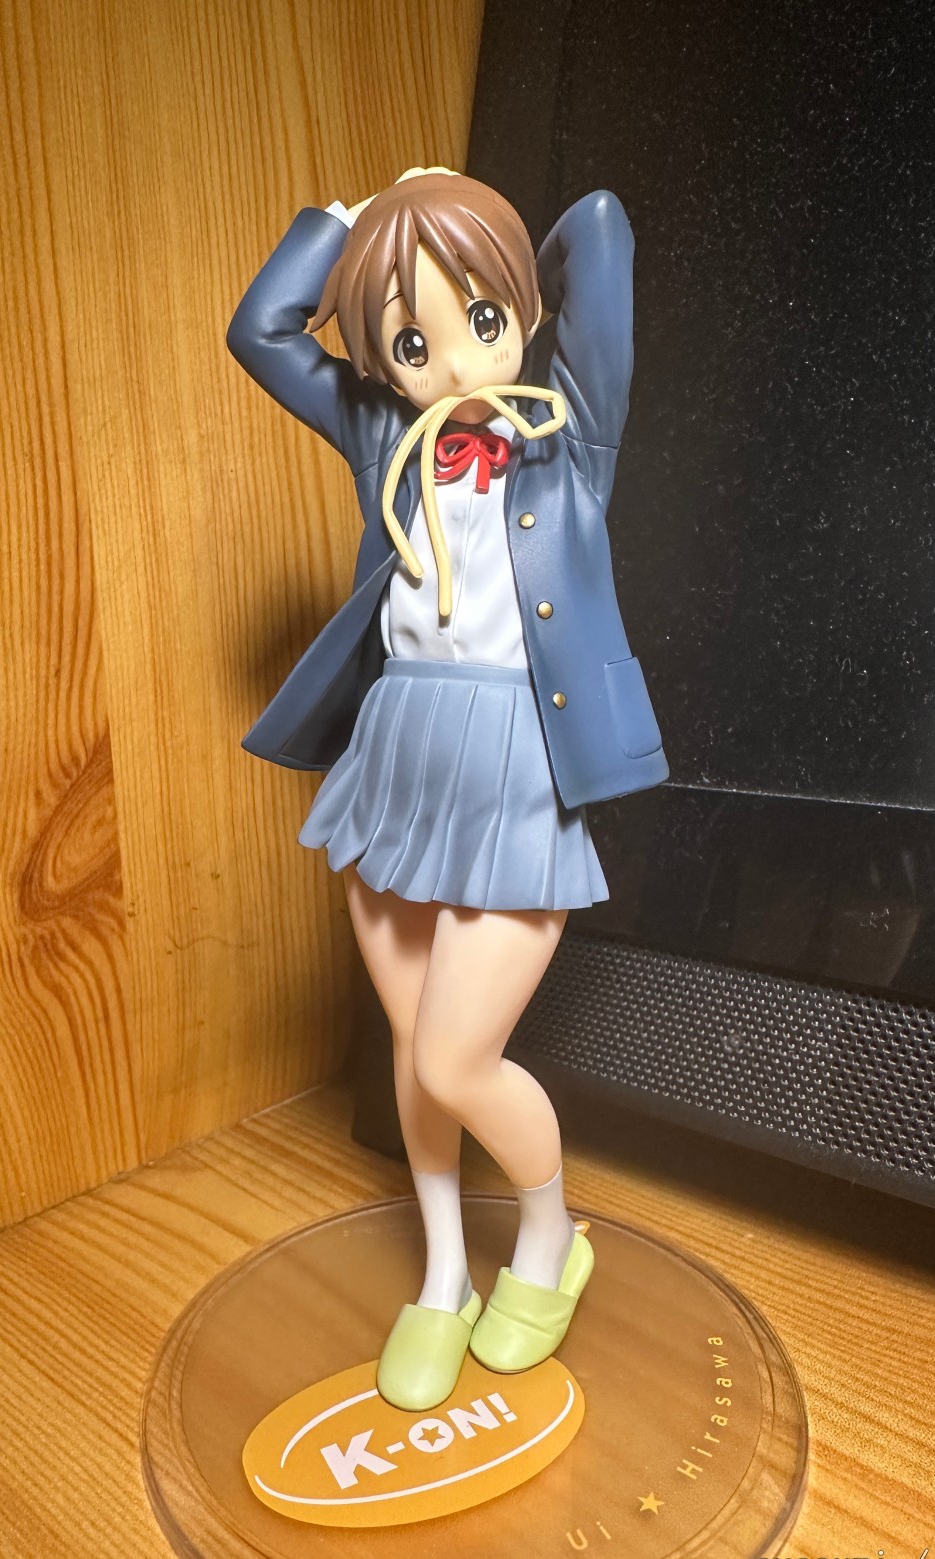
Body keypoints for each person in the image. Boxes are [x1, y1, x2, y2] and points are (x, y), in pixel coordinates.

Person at [226, 166, 668, 1411]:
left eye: (480, 319)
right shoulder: (383, 432)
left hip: (517, 764)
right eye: (414, 343)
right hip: (397, 757)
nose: (457, 363)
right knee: (415, 1057)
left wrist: (445, 214)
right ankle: (440, 1274)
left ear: (520, 308)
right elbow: (260, 332)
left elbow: (600, 232)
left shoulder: (569, 435)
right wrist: (343, 227)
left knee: (458, 1055)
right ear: (384, 360)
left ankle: (550, 1235)